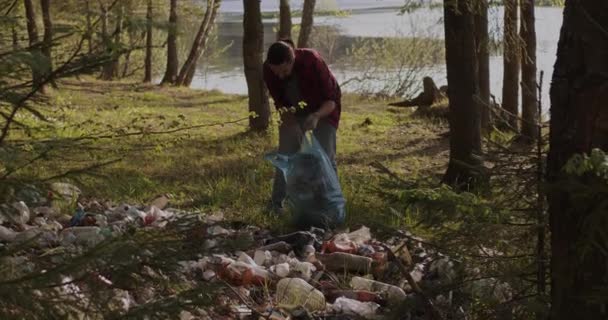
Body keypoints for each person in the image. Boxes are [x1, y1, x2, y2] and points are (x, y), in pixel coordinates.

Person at [263, 40, 342, 214]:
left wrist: (315, 116)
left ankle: (331, 206)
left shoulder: (312, 61)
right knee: (285, 156)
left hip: (324, 108)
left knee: (325, 156)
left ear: (292, 61)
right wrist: (293, 129)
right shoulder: (269, 71)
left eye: (284, 71)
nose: (280, 77)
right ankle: (276, 205)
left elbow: (331, 101)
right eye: (276, 72)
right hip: (294, 109)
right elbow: (281, 104)